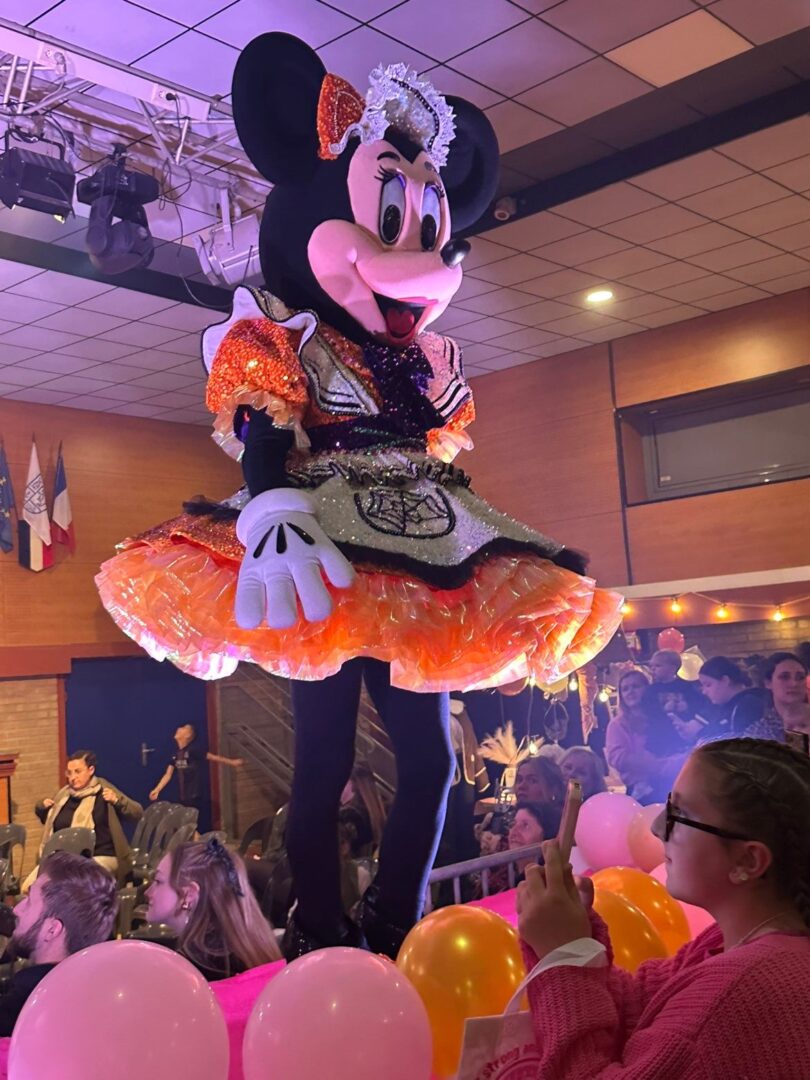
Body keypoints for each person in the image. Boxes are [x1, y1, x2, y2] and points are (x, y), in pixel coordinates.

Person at [95, 33, 622, 962]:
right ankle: (321, 929)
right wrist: (269, 503)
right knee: (324, 761)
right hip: (326, 537)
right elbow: (261, 427)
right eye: (389, 220)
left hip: (424, 545)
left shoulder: (426, 361)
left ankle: (392, 918)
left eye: (425, 229)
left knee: (433, 762)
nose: (414, 254)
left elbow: (439, 444)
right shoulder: (281, 335)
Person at [515, 738, 810, 1078]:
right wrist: (574, 941)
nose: (656, 829)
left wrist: (562, 956)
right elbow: (642, 1006)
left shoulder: (739, 992)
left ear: (748, 860)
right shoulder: (727, 943)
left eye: (679, 815)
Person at [0, 852, 118, 1035]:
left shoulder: (16, 1012)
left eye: (29, 901)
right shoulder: (92, 997)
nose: (17, 909)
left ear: (52, 930)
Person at [145, 837, 280, 981]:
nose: (148, 892)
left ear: (189, 894)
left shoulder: (193, 969)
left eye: (158, 881)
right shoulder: (241, 947)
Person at [28, 750, 142, 886]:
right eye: (69, 773)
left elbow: (137, 813)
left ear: (91, 770)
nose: (73, 777)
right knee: (30, 886)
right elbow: (50, 821)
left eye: (78, 772)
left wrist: (117, 801)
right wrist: (42, 807)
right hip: (65, 858)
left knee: (74, 884)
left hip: (101, 854)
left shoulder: (103, 790)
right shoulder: (64, 795)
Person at [606, 669, 686, 804]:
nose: (630, 692)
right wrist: (655, 765)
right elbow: (617, 757)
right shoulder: (617, 724)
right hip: (641, 790)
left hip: (674, 783)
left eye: (635, 686)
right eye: (625, 689)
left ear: (647, 689)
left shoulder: (663, 717)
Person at [149, 724, 243, 817]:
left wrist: (232, 762)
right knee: (184, 820)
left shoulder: (193, 750)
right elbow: (168, 774)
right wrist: (157, 789)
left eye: (184, 728)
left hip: (193, 794)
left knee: (190, 820)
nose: (179, 728)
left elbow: (213, 757)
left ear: (188, 735)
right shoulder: (175, 755)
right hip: (182, 795)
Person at [698, 656, 784, 742]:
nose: (704, 691)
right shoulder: (725, 708)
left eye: (708, 685)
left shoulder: (747, 705)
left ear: (725, 680)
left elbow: (746, 744)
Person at [643, 650, 707, 746]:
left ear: (672, 668)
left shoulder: (687, 687)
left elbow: (697, 705)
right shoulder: (651, 690)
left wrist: (687, 706)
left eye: (658, 665)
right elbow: (648, 711)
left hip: (684, 734)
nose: (653, 669)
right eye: (651, 666)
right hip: (660, 734)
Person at [763, 652, 810, 748]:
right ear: (768, 683)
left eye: (800, 677)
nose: (794, 683)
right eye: (784, 677)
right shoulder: (759, 733)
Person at [507, 801, 560, 882]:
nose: (514, 831)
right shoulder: (500, 875)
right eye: (513, 824)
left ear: (546, 837)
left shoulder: (549, 882)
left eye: (525, 825)